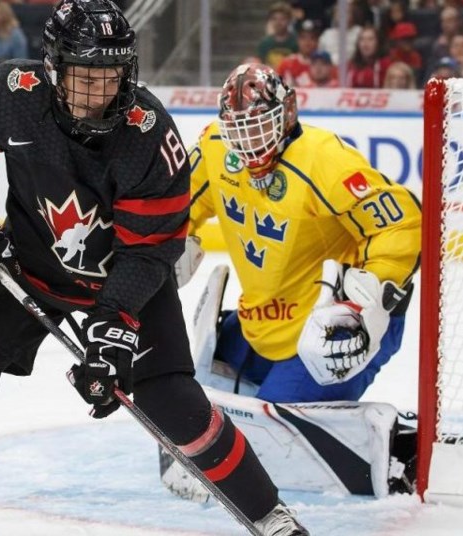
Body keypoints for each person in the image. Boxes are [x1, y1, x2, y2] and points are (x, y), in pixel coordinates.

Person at [0, 2, 307, 536]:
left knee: (173, 404)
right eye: (85, 76)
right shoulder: (11, 95)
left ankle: (268, 514)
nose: (101, 93)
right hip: (30, 265)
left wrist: (115, 324)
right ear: (53, 68)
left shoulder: (149, 134)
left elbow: (150, 250)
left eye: (112, 75)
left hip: (128, 280)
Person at [180, 61, 421, 405]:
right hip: (264, 322)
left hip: (338, 327)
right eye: (238, 130)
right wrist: (168, 241)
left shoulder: (324, 161)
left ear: (287, 112)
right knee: (196, 394)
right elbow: (177, 200)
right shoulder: (215, 146)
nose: (248, 143)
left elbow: (402, 223)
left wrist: (361, 303)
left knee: (273, 440)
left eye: (259, 127)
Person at [257, 1, 299, 69]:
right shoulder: (264, 43)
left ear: (289, 20)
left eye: (282, 19)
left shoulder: (296, 42)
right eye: (274, 19)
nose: (278, 23)